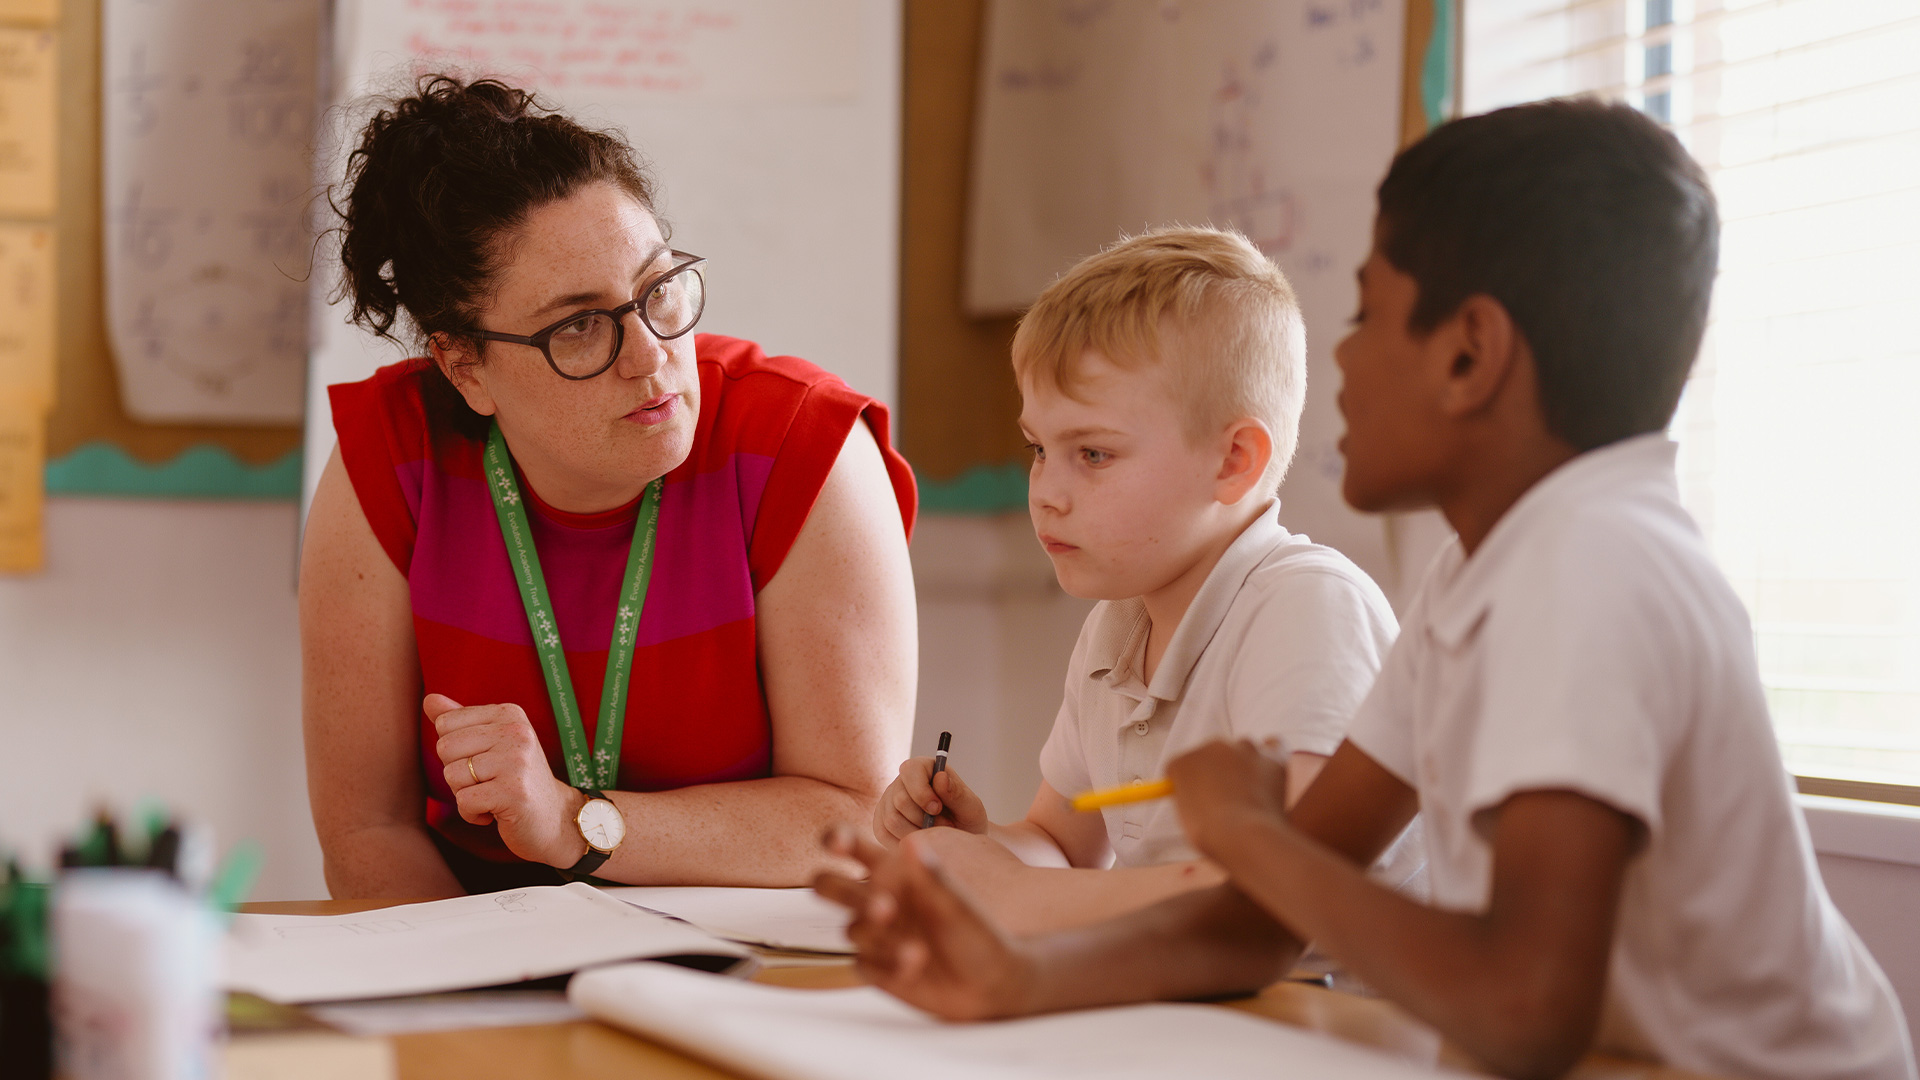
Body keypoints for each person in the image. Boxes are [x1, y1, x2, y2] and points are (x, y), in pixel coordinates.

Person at [816, 99, 1916, 1080]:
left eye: (1368, 315)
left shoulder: (1593, 568)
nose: (1339, 362)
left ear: (1469, 355)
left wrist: (1253, 841)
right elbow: (1261, 920)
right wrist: (1020, 980)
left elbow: (1524, 1009)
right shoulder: (1481, 573)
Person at [300, 76, 918, 899]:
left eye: (658, 289)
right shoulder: (389, 458)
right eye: (580, 326)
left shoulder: (805, 446)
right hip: (482, 943)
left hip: (749, 951)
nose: (651, 355)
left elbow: (855, 816)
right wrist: (486, 974)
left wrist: (575, 822)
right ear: (464, 367)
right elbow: (368, 831)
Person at [868, 228, 1414, 935]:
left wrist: (1016, 894)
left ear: (1233, 462)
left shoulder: (1308, 610)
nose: (1046, 493)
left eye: (1093, 454)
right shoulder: (1118, 627)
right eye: (1039, 449)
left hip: (1323, 998)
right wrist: (979, 848)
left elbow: (1292, 890)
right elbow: (1063, 848)